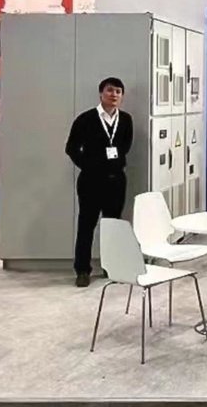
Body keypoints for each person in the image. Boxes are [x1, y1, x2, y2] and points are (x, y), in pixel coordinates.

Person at [65, 76, 133, 287]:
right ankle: (82, 270)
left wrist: (114, 162)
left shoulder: (126, 119)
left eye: (118, 92)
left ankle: (111, 266)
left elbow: (125, 146)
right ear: (101, 93)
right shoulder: (86, 119)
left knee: (113, 225)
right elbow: (71, 148)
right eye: (110, 90)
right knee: (86, 225)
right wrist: (89, 165)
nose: (114, 95)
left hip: (116, 180)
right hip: (91, 181)